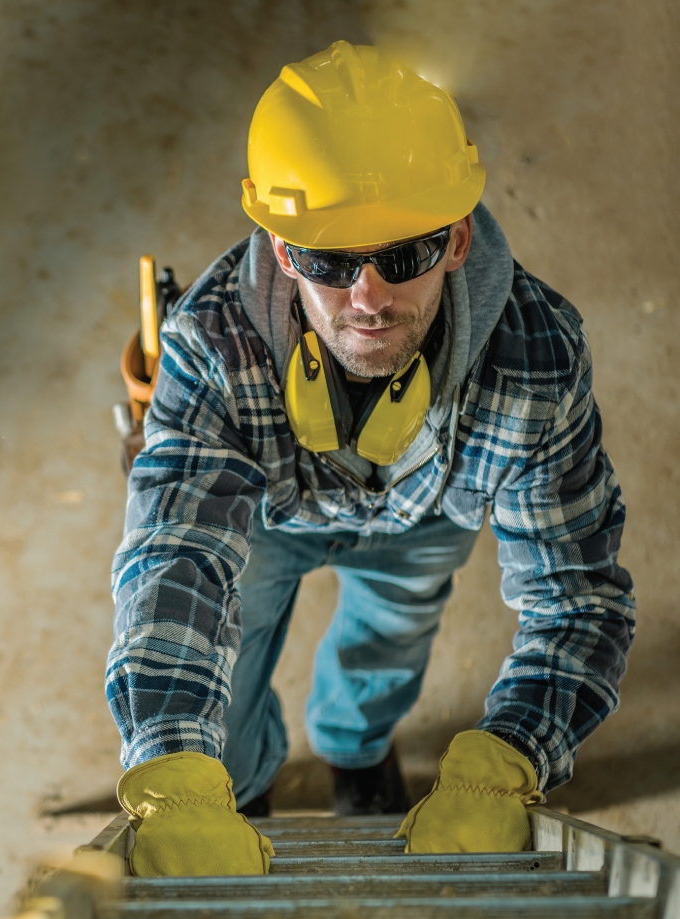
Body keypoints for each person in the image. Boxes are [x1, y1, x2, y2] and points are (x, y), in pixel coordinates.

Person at [106, 40, 635, 877]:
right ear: (283, 252)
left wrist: (513, 755)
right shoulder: (211, 345)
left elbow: (578, 597)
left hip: (424, 522)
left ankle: (356, 750)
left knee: (389, 640)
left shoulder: (538, 361)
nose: (368, 299)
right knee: (226, 677)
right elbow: (176, 560)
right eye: (325, 259)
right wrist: (175, 765)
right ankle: (238, 786)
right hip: (266, 522)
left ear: (458, 240)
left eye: (403, 253)